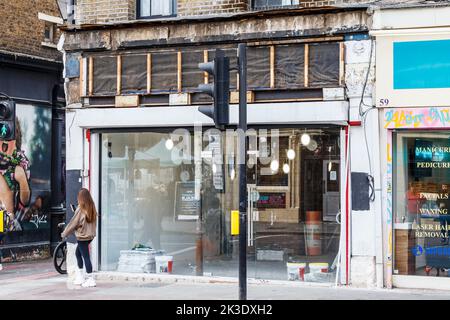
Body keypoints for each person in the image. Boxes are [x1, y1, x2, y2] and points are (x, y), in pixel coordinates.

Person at [61, 188, 98, 287]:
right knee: (78, 253)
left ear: (81, 198)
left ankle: (90, 278)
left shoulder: (81, 209)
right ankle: (80, 276)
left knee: (85, 256)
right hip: (90, 236)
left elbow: (74, 223)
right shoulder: (92, 207)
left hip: (82, 237)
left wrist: (64, 233)